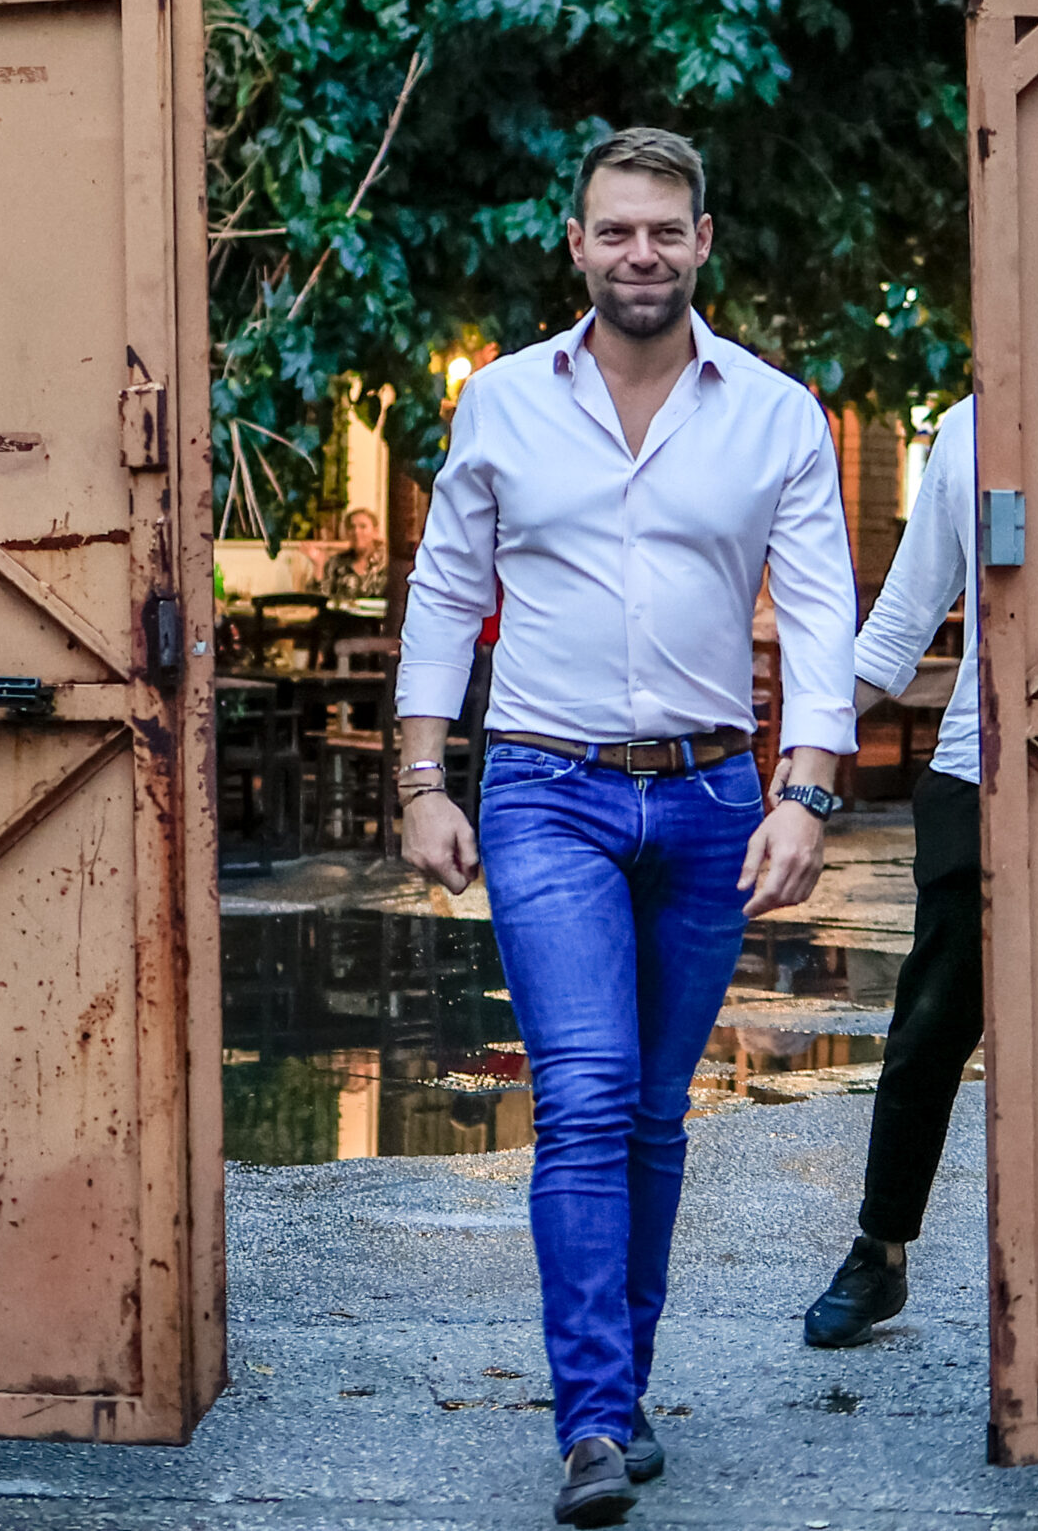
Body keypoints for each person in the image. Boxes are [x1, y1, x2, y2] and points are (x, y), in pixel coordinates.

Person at [395, 127, 857, 1527]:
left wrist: (808, 789)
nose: (641, 253)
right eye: (617, 230)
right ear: (578, 243)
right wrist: (423, 778)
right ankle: (591, 1421)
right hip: (547, 786)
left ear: (702, 241)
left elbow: (823, 606)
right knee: (588, 1094)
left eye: (666, 230)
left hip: (716, 794)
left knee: (656, 1113)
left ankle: (624, 1387)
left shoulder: (774, 412)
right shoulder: (503, 405)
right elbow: (442, 586)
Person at [798, 393, 984, 1350]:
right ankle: (881, 1250)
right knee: (930, 1025)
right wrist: (808, 765)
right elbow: (903, 619)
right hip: (976, 771)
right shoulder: (964, 428)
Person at [319, 505, 388, 599]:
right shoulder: (335, 563)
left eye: (363, 527)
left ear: (375, 531)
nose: (356, 531)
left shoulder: (387, 563)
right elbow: (323, 598)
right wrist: (317, 566)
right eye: (351, 527)